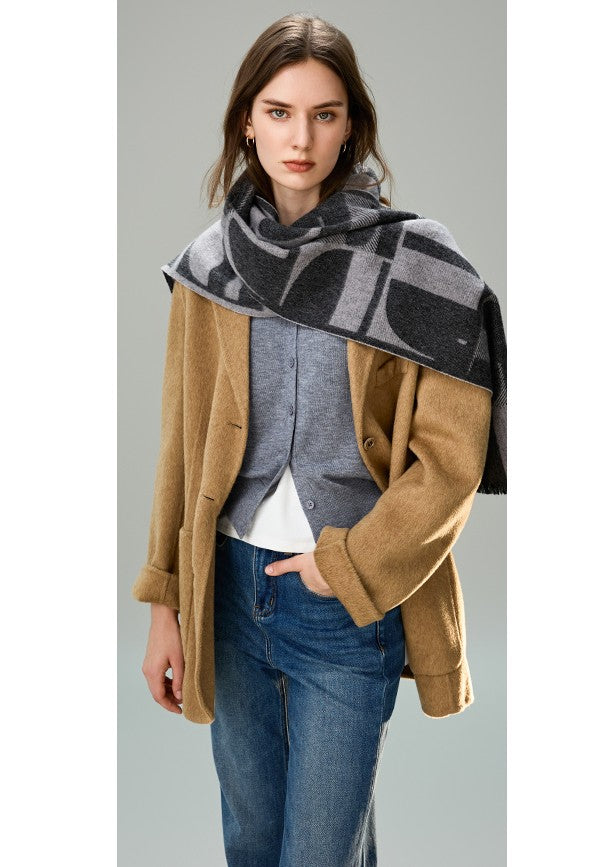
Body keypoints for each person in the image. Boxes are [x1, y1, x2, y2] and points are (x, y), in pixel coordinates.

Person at [132, 13, 506, 867]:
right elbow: (181, 442)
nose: (300, 138)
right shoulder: (211, 265)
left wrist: (350, 563)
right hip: (228, 592)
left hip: (346, 603)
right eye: (279, 112)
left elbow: (450, 464)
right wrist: (165, 605)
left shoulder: (419, 267)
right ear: (247, 122)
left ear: (350, 126)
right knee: (253, 846)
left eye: (324, 114)